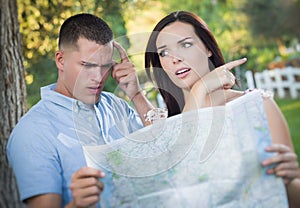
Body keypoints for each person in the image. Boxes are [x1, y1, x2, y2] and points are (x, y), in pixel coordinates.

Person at [144, 11, 300, 207]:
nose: (174, 58)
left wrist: (289, 181)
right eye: (164, 52)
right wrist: (199, 90)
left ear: (208, 48)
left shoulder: (258, 106)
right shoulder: (164, 130)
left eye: (185, 44)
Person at [6, 13, 153, 208]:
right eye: (87, 65)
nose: (98, 77)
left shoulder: (116, 105)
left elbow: (165, 145)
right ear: (60, 60)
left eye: (105, 67)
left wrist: (136, 95)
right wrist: (77, 204)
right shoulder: (31, 132)